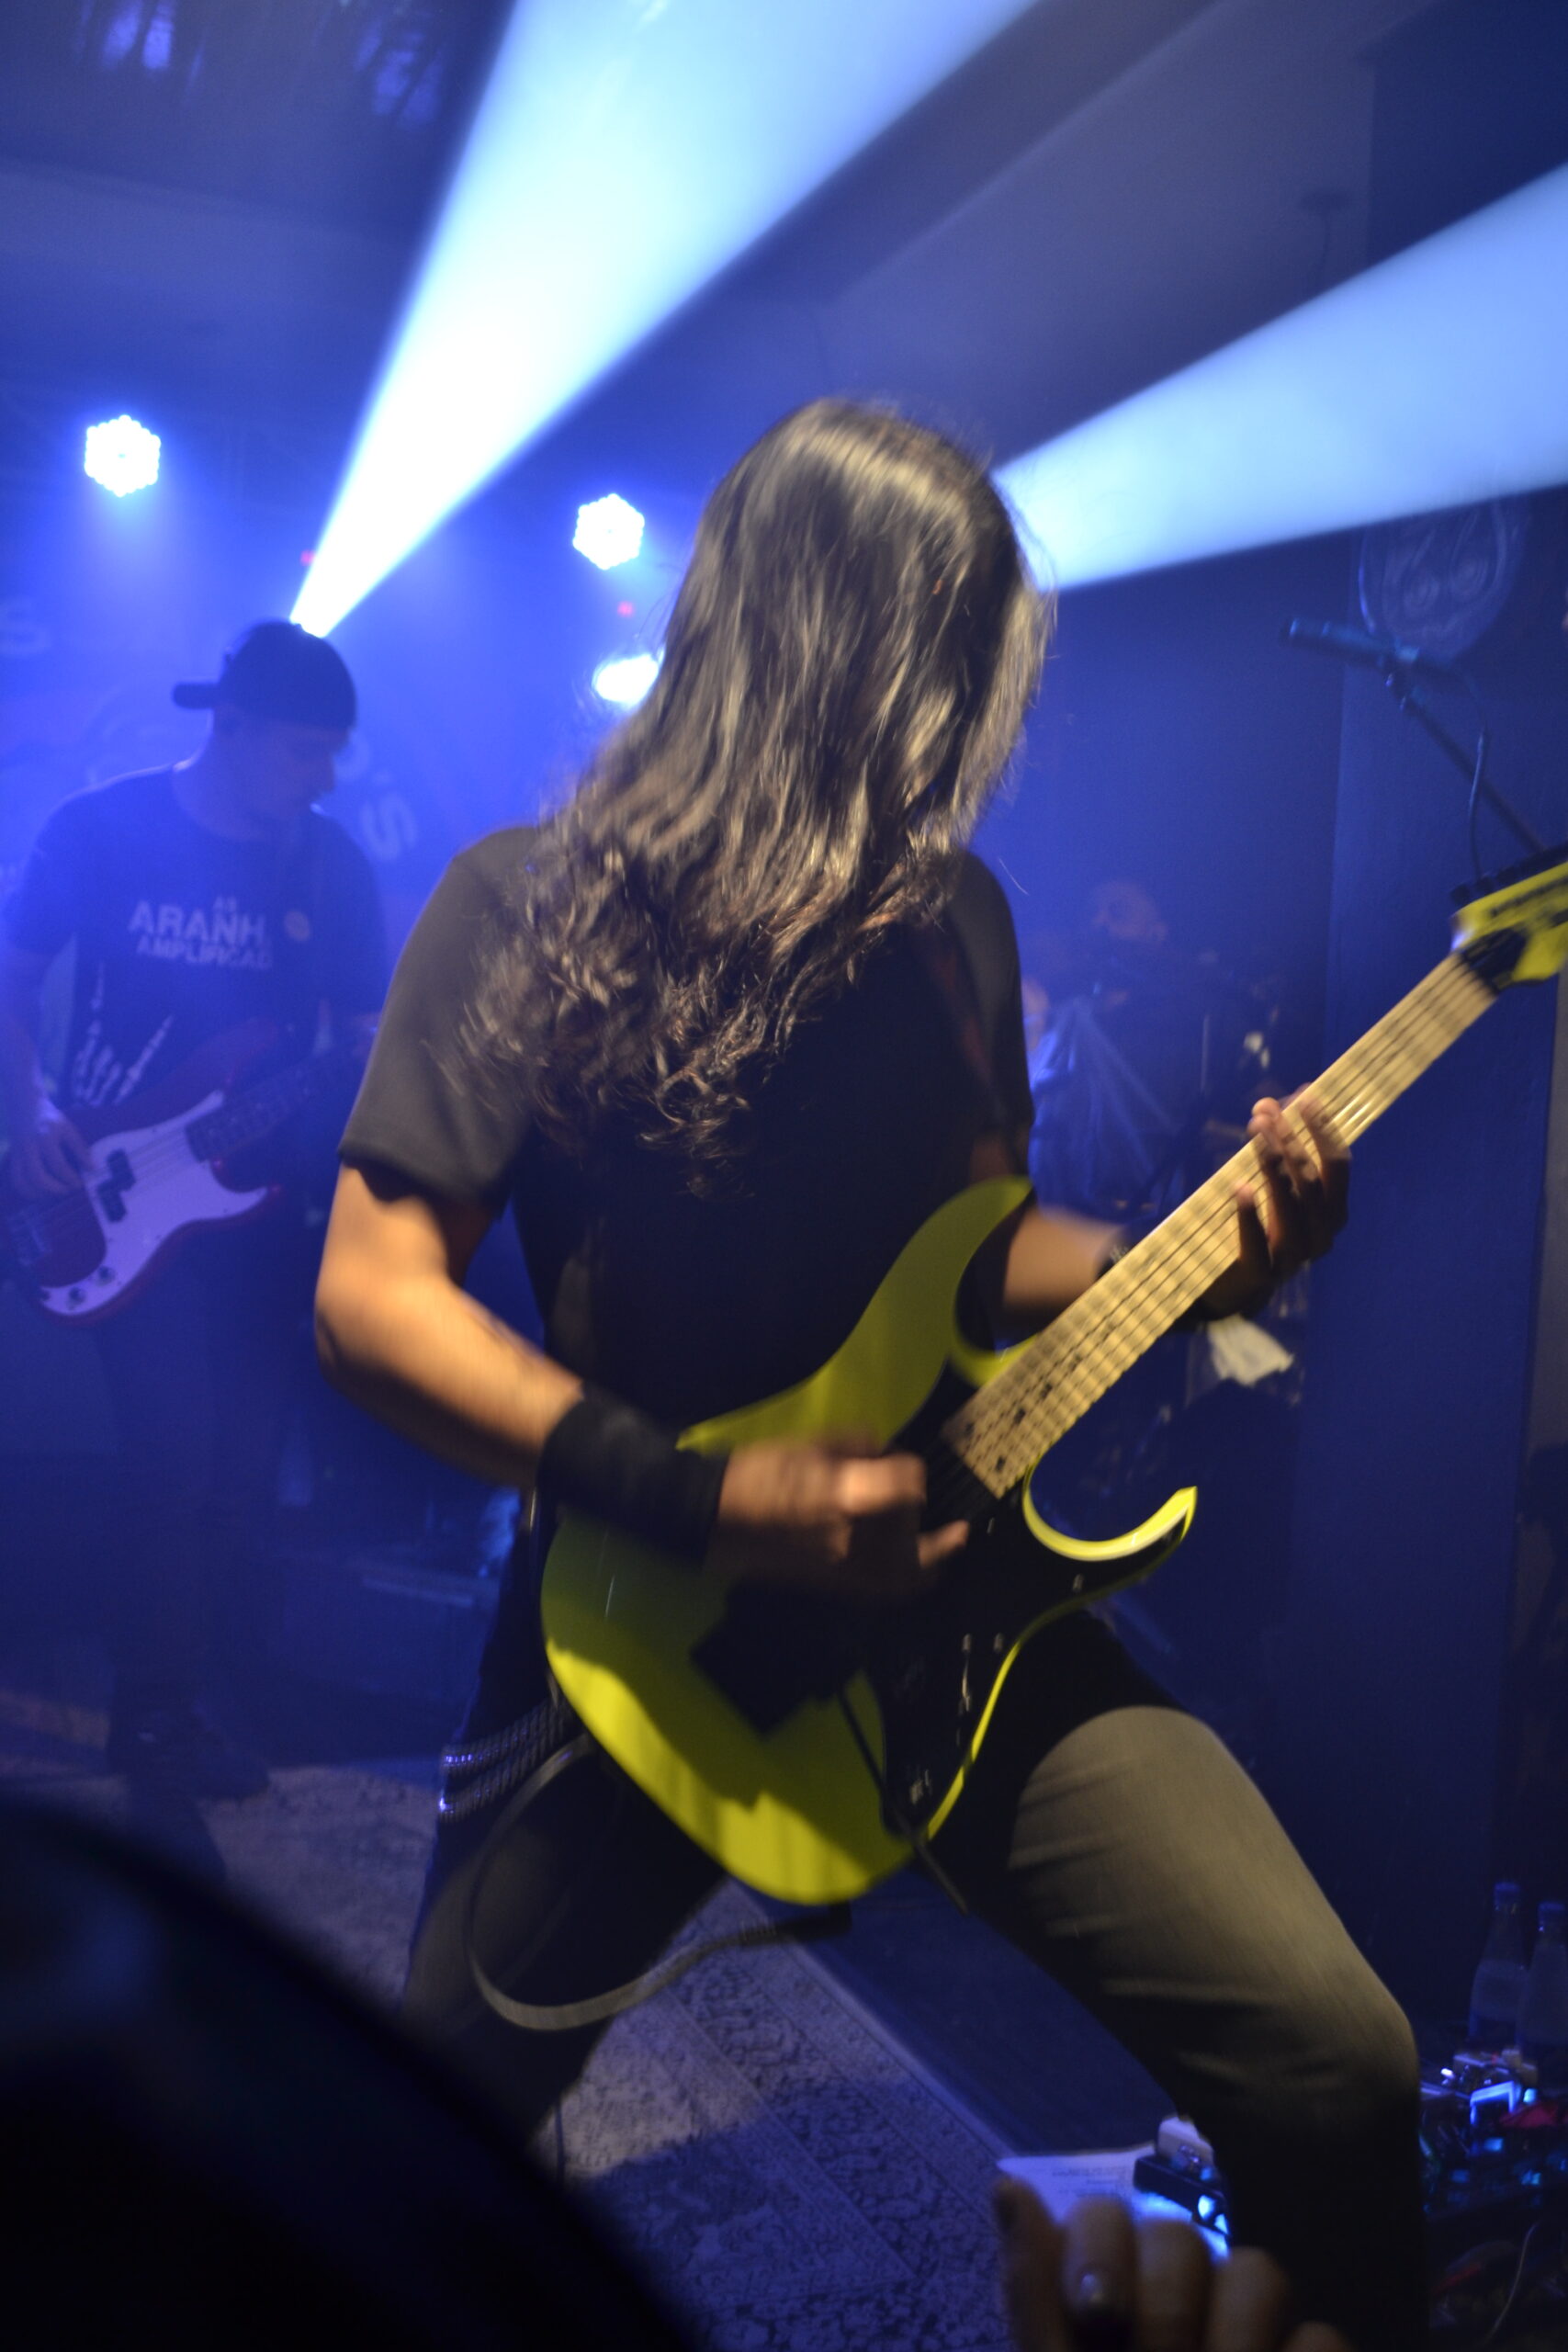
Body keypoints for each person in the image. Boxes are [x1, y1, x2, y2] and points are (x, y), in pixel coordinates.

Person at [314, 402, 1424, 2348]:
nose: (979, 726)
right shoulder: (523, 900)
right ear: (836, 651)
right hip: (653, 1621)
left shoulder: (953, 921)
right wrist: (705, 1495)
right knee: (422, 2151)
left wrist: (1196, 1256)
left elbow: (981, 1247)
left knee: (1334, 2057)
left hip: (957, 1589)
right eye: (954, 666)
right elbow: (372, 1291)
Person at [0, 621, 386, 1828]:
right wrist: (28, 1112)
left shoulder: (328, 869)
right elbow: (12, 970)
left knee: (237, 1475)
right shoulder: (102, 829)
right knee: (174, 1457)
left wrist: (379, 1062)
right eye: (302, 751)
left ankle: (191, 1696)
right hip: (119, 1191)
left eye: (334, 752)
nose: (321, 776)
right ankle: (154, 1714)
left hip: (264, 1209)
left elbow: (361, 1035)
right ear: (229, 725)